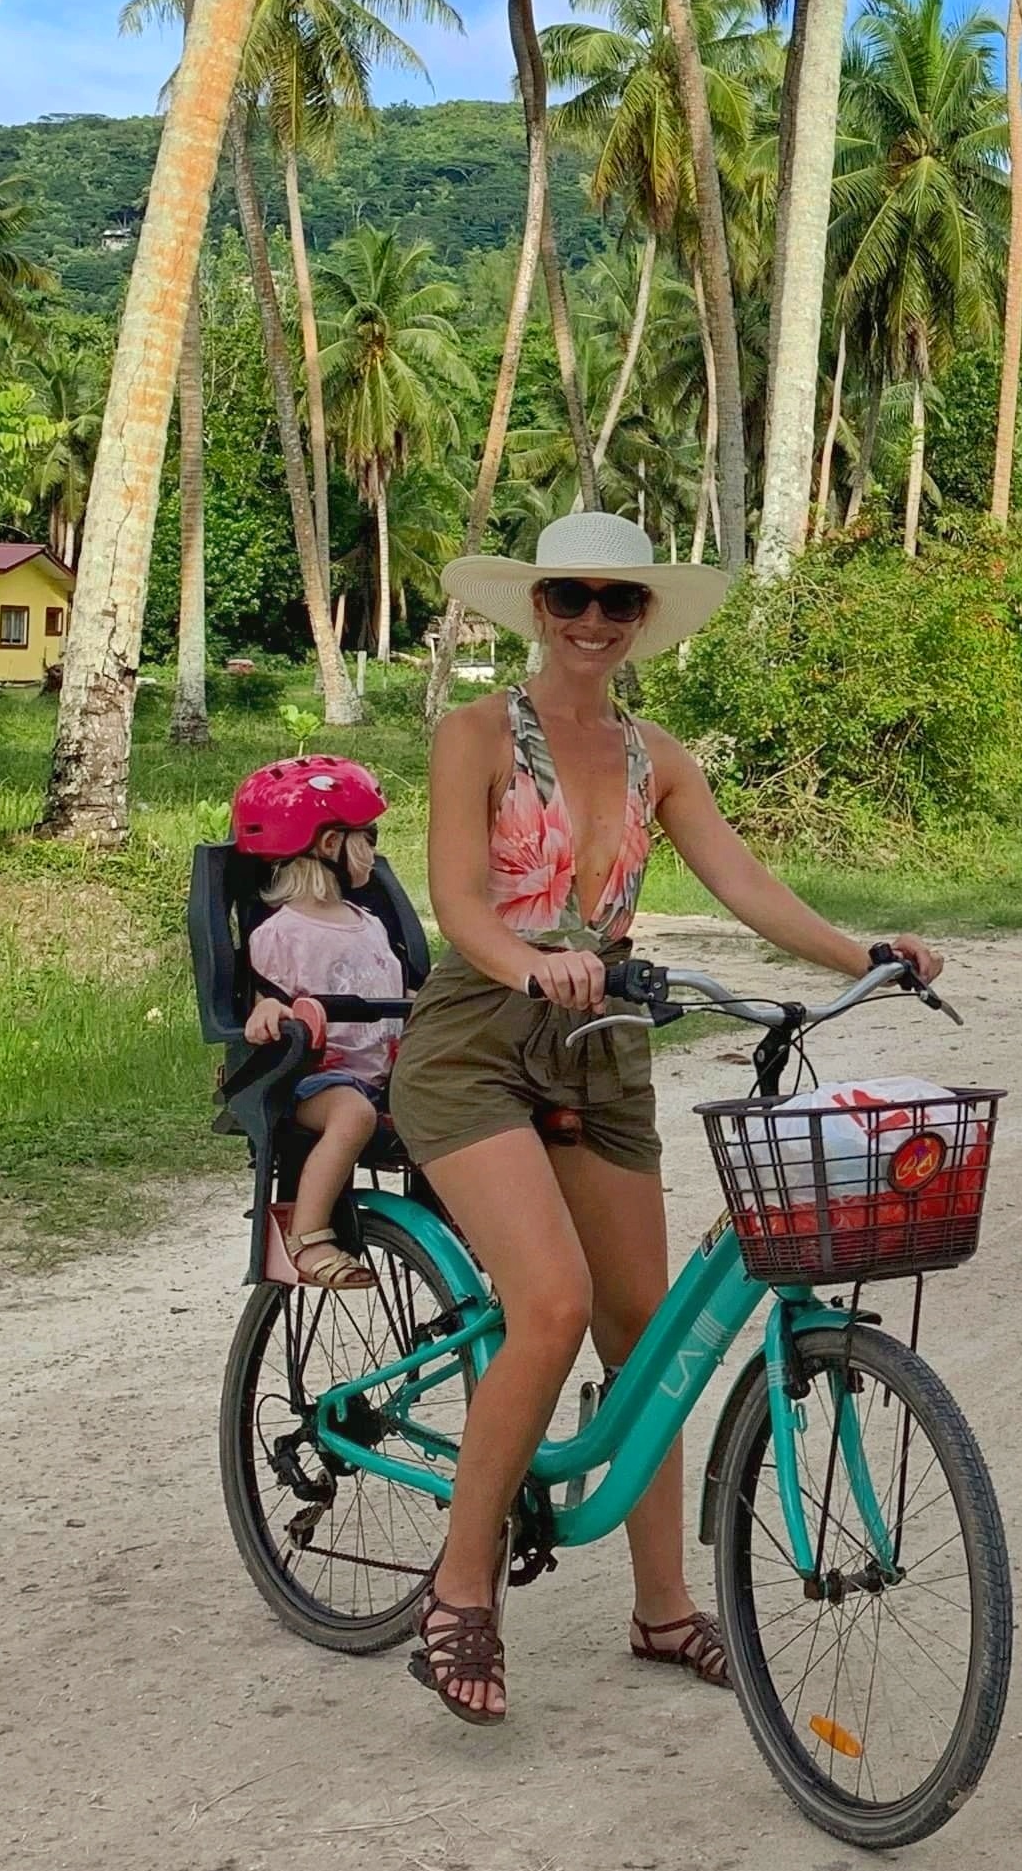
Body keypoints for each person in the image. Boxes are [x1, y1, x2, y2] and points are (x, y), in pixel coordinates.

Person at [385, 508, 942, 1727]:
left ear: (644, 620)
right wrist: (532, 965)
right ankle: (460, 1590)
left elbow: (744, 883)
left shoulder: (659, 756)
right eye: (573, 596)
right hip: (478, 1039)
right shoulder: (474, 734)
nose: (594, 620)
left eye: (619, 603)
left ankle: (662, 1608)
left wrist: (868, 952)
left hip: (604, 1046)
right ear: (538, 605)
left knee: (649, 1338)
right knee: (551, 1304)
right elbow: (461, 904)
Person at [232, 755, 405, 1291]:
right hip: (309, 1080)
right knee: (352, 1115)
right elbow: (265, 998)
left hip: (382, 1073)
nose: (375, 851)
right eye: (368, 836)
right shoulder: (281, 934)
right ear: (330, 845)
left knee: (457, 1096)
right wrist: (266, 1012)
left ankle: (463, 1221)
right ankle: (308, 1237)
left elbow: (394, 991)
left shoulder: (369, 923)